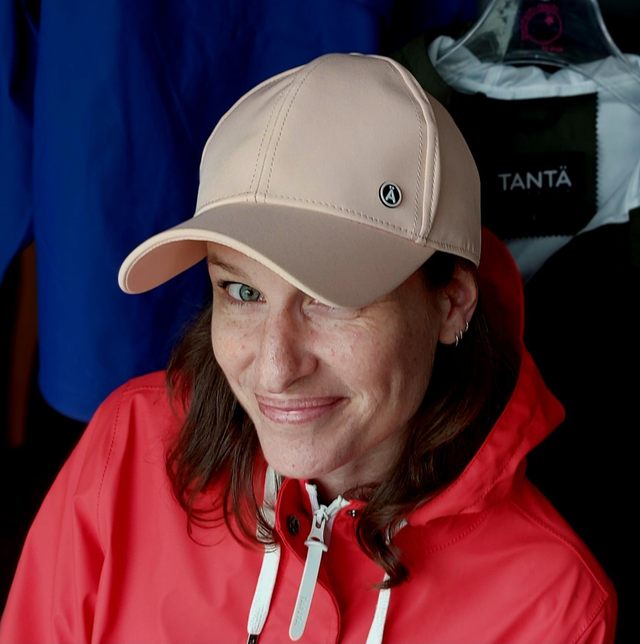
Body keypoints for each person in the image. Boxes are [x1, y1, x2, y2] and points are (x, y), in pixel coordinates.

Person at [0, 53, 616, 643]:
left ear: (451, 304)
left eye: (331, 298)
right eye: (242, 291)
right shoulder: (127, 448)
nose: (275, 367)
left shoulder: (554, 608)